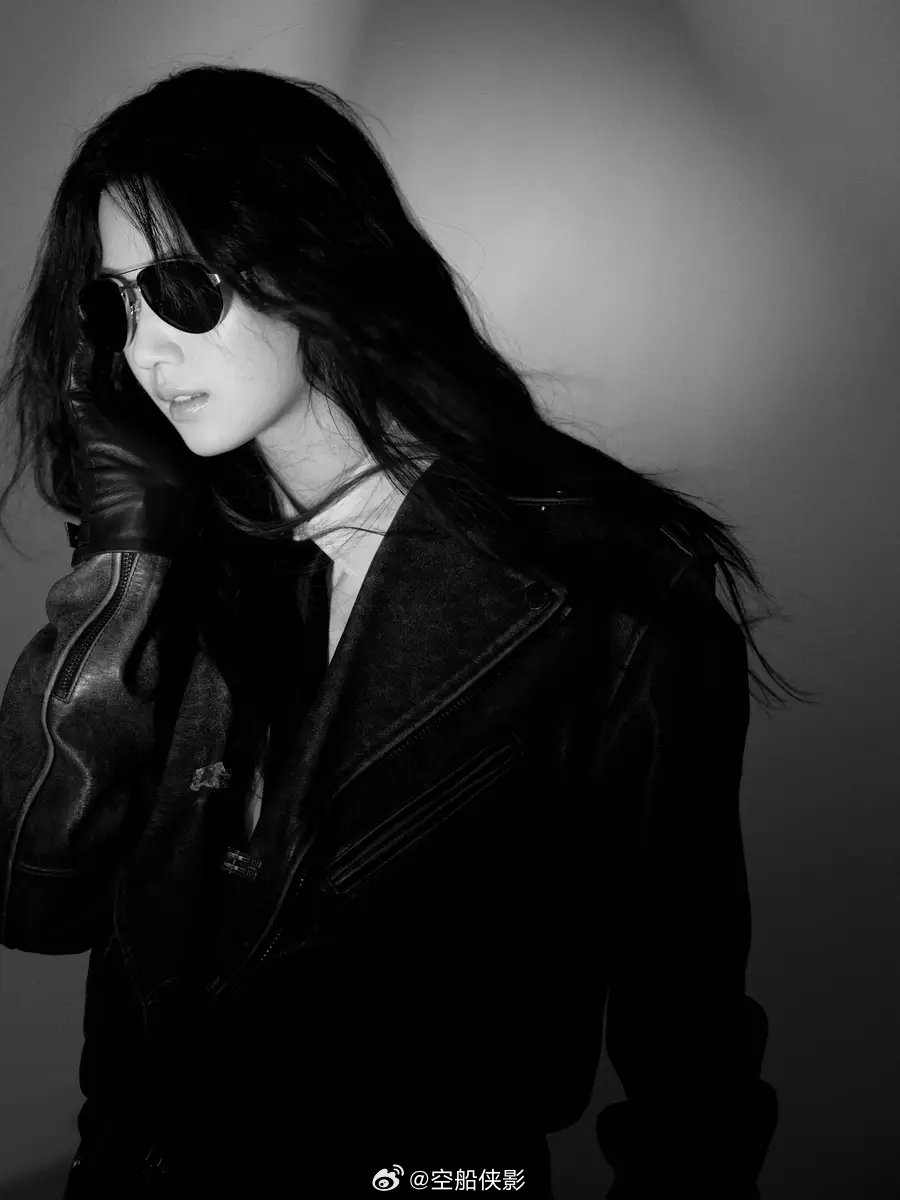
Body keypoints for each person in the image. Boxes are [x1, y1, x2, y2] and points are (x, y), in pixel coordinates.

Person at [0, 64, 815, 1199]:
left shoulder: (598, 597)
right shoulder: (170, 569)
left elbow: (690, 1050)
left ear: (310, 258)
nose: (144, 349)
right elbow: (37, 896)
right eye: (113, 304)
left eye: (181, 289)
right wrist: (122, 563)